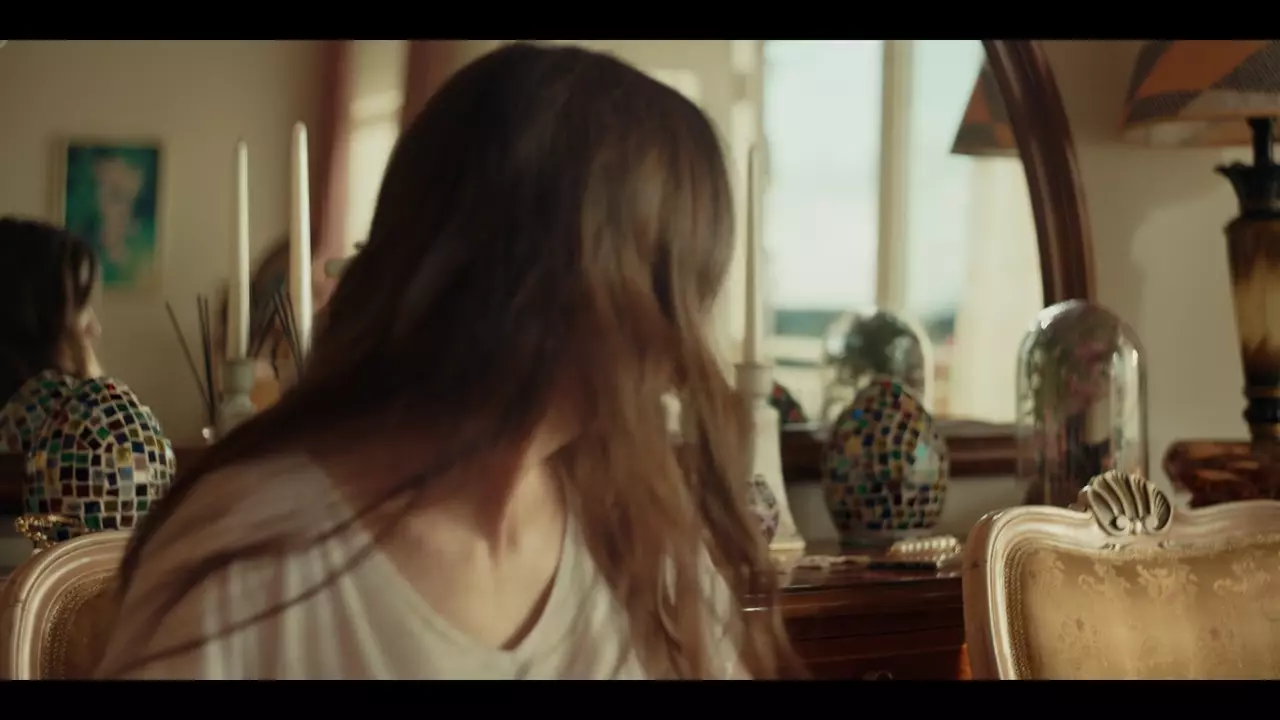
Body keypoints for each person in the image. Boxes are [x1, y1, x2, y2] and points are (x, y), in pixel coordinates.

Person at [96, 42, 803, 680]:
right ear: (549, 283)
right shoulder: (248, 560)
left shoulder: (641, 534)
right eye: (670, 291)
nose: (682, 353)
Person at [0, 217, 175, 546]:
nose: (93, 327)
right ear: (37, 312)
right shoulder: (52, 410)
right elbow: (122, 445)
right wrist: (89, 368)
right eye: (80, 308)